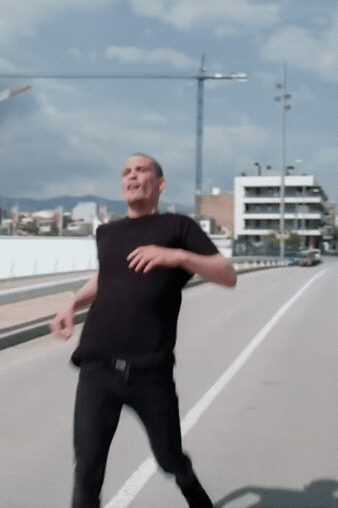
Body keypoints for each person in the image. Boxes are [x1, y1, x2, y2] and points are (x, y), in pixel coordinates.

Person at [51, 153, 237, 508]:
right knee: (87, 470)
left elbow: (226, 274)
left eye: (141, 170)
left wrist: (177, 257)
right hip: (98, 368)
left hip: (150, 374)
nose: (132, 176)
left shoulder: (177, 227)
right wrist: (72, 303)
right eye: (126, 172)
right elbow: (106, 278)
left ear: (160, 184)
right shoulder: (107, 233)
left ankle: (196, 496)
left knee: (169, 460)